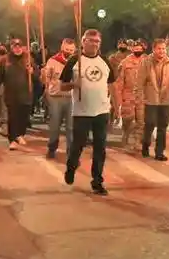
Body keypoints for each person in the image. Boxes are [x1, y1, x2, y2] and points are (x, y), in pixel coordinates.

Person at [60, 29, 117, 196]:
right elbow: (61, 86)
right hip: (81, 112)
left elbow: (112, 85)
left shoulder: (104, 61)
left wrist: (117, 105)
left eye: (97, 41)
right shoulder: (74, 61)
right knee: (77, 146)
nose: (94, 44)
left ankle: (97, 181)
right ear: (83, 42)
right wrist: (73, 84)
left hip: (102, 110)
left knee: (100, 148)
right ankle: (71, 168)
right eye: (90, 40)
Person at [138, 38, 169, 160]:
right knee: (150, 123)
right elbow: (140, 81)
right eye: (159, 48)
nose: (162, 51)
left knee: (163, 126)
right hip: (151, 98)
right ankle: (145, 143)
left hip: (165, 99)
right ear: (154, 49)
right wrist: (139, 97)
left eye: (163, 48)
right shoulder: (146, 62)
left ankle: (159, 152)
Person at [0, 37, 37, 149]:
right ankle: (12, 139)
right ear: (11, 48)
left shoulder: (28, 59)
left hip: (26, 94)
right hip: (11, 94)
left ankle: (20, 134)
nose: (17, 49)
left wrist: (32, 72)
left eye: (19, 46)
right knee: (12, 117)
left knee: (24, 116)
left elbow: (37, 77)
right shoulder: (5, 60)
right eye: (14, 46)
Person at [42, 38, 76, 158]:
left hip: (71, 98)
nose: (69, 52)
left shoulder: (77, 62)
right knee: (55, 125)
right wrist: (46, 92)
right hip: (55, 96)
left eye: (71, 50)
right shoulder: (53, 61)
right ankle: (52, 148)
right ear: (62, 48)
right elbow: (46, 79)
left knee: (71, 127)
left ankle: (71, 152)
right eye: (67, 49)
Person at [115, 40, 146, 149]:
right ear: (132, 49)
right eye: (135, 48)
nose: (138, 50)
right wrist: (118, 97)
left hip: (143, 95)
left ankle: (137, 141)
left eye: (140, 48)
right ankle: (125, 135)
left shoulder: (147, 62)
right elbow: (120, 81)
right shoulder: (125, 62)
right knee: (128, 118)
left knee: (141, 121)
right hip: (128, 95)